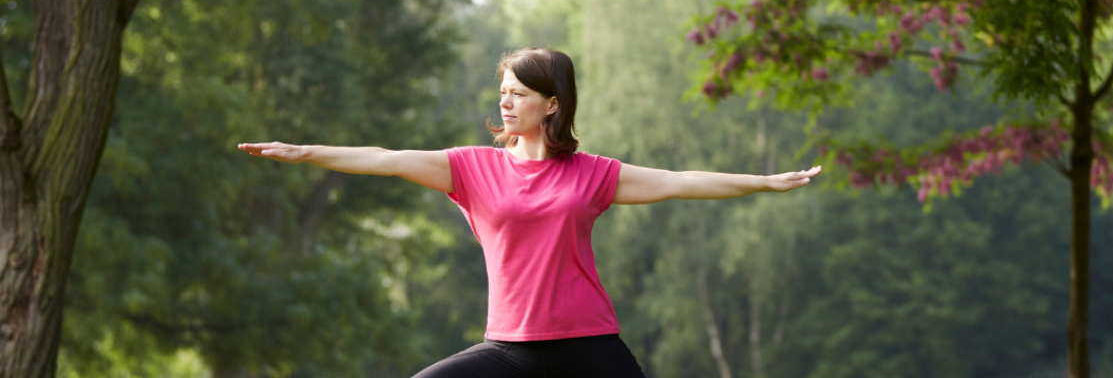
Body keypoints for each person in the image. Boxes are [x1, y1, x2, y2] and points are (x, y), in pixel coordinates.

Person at [238, 48, 819, 378]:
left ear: (552, 104)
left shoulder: (592, 173)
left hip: (589, 344)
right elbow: (384, 159)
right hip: (509, 349)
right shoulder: (471, 168)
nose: (505, 100)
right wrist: (300, 151)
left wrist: (764, 181)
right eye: (503, 91)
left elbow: (679, 181)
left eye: (518, 92)